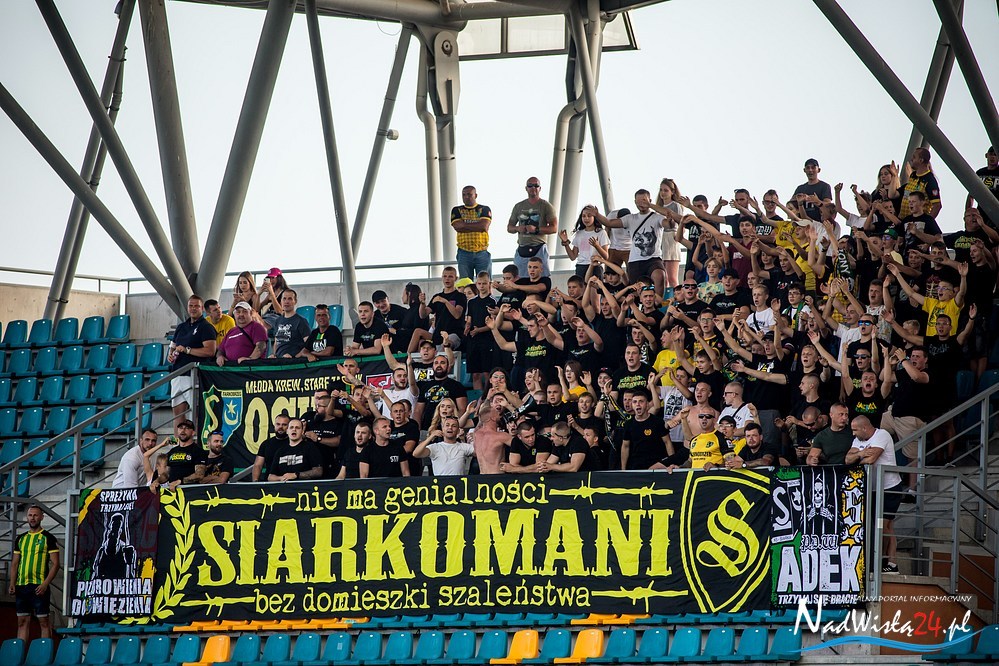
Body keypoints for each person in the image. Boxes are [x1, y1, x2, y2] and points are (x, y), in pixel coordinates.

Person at [846, 416, 905, 573]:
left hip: (889, 488)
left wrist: (858, 456)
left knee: (883, 526)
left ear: (865, 428)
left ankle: (885, 561)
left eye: (855, 430)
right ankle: (889, 562)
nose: (853, 434)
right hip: (872, 489)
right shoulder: (858, 440)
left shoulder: (882, 435)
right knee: (884, 526)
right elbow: (847, 459)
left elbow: (871, 459)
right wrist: (861, 453)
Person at [597, 189, 671, 296]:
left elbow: (669, 225)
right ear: (635, 202)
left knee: (659, 276)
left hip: (653, 258)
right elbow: (609, 223)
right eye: (639, 201)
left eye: (644, 200)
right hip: (635, 261)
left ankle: (658, 303)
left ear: (650, 201)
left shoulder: (657, 217)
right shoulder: (630, 218)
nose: (642, 203)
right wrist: (596, 214)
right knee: (635, 290)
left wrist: (669, 219)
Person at [9, 506, 59, 641]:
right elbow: (15, 563)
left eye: (35, 515)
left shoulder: (48, 537)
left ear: (42, 517)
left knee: (43, 621)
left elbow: (56, 564)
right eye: (30, 515)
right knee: (22, 622)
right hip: (21, 585)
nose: (32, 518)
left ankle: (44, 652)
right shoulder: (21, 538)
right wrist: (12, 583)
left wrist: (45, 584)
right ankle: (20, 652)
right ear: (27, 517)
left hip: (39, 586)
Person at [168, 295, 217, 423]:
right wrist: (171, 354)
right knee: (177, 414)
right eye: (191, 306)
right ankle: (179, 437)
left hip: (193, 375)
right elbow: (172, 346)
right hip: (177, 373)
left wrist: (188, 350)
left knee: (196, 413)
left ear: (202, 308)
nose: (193, 308)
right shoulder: (181, 327)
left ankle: (197, 435)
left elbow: (210, 351)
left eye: (197, 306)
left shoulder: (206, 327)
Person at [508, 176, 557, 277]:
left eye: (536, 185)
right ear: (526, 188)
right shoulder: (518, 206)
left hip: (539, 248)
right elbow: (509, 227)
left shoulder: (546, 206)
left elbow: (554, 228)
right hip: (522, 249)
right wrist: (518, 228)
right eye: (530, 185)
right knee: (520, 280)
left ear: (540, 188)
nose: (533, 188)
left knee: (542, 279)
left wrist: (536, 229)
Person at [451, 185, 493, 279]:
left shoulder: (484, 209)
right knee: (466, 283)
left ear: (476, 195)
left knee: (485, 282)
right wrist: (477, 225)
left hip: (482, 251)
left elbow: (484, 226)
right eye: (464, 195)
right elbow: (457, 227)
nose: (466, 197)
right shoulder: (456, 210)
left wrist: (464, 225)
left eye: (469, 195)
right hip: (464, 252)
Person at [559, 204, 610, 278]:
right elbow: (573, 257)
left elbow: (606, 256)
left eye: (589, 216)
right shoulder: (579, 233)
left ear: (594, 217)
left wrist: (597, 246)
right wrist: (566, 243)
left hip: (595, 266)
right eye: (584, 216)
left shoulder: (601, 232)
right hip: (581, 266)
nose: (586, 218)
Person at [266, 289, 311, 358]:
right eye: (284, 299)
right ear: (281, 301)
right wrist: (274, 355)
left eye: (290, 299)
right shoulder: (278, 320)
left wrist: (296, 356)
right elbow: (276, 342)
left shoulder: (301, 321)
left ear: (295, 301)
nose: (286, 302)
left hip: (292, 361)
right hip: (279, 360)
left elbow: (308, 344)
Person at [900, 147, 941, 219]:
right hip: (904, 221)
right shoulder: (913, 175)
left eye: (914, 157)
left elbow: (937, 205)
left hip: (917, 223)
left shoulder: (930, 180)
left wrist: (926, 222)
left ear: (921, 160)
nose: (911, 159)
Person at [164, 419, 205, 490]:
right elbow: (166, 474)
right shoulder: (172, 451)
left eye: (187, 428)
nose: (183, 430)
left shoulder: (199, 451)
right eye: (181, 428)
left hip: (190, 491)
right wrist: (157, 481)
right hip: (172, 491)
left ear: (193, 432)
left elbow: (199, 475)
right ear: (177, 431)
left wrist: (181, 481)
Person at [252, 412, 290, 481]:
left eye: (284, 425)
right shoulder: (266, 444)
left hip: (290, 481)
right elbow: (258, 465)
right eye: (278, 424)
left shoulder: (294, 442)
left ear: (289, 426)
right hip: (269, 483)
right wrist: (255, 481)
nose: (280, 427)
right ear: (274, 425)